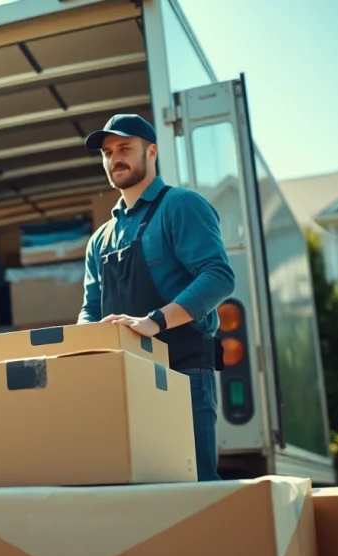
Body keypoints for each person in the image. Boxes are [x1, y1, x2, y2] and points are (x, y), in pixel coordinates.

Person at [78, 114, 236, 482]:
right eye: (107, 152)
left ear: (152, 152)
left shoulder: (181, 206)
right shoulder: (100, 237)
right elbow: (90, 306)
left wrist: (155, 321)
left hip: (181, 372)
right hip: (121, 378)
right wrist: (82, 349)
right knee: (131, 489)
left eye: (124, 148)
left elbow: (218, 276)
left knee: (190, 484)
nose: (114, 158)